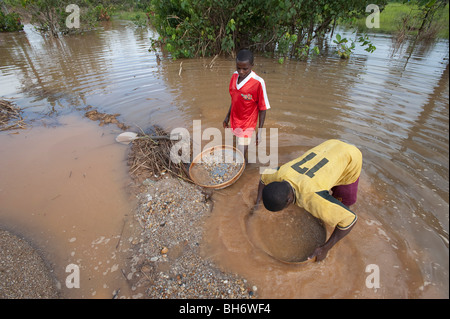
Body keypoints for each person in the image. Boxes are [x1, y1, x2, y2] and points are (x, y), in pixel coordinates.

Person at [255, 139, 363, 262]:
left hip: (350, 157)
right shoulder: (281, 173)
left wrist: (325, 248)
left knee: (343, 201)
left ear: (289, 200)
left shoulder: (311, 196)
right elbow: (263, 177)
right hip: (330, 145)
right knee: (325, 189)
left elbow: (350, 220)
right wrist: (257, 202)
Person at [223, 49, 270, 163]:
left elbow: (262, 108)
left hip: (247, 124)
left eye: (245, 68)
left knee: (240, 154)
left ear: (251, 66)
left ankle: (243, 174)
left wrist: (260, 131)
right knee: (236, 149)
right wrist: (227, 117)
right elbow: (234, 99)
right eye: (238, 68)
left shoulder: (258, 82)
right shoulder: (234, 76)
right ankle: (246, 164)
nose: (241, 71)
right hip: (235, 120)